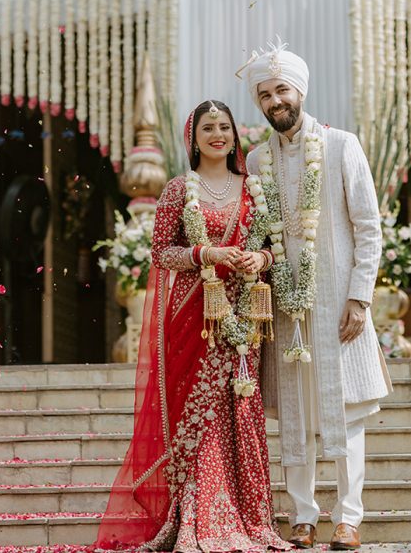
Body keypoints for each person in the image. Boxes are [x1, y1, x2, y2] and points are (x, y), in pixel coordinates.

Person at [94, 100, 291, 553]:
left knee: (239, 407)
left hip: (244, 312)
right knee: (197, 414)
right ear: (193, 137)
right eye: (208, 128)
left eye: (224, 127)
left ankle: (247, 516)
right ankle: (197, 514)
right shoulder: (178, 190)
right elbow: (161, 253)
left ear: (234, 136)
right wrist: (207, 255)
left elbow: (276, 247)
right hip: (194, 317)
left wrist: (258, 258)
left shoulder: (256, 188)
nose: (217, 134)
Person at [241, 40, 393, 550]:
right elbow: (257, 233)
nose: (274, 100)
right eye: (265, 94)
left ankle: (349, 518)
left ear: (300, 91)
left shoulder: (340, 145)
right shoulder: (257, 159)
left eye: (282, 89)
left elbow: (368, 227)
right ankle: (303, 515)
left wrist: (360, 297)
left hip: (339, 307)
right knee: (296, 417)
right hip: (285, 306)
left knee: (347, 413)